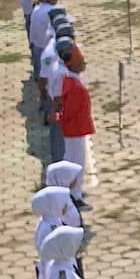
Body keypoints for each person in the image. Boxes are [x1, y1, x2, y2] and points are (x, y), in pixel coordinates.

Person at [57, 41, 94, 180]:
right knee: (76, 163)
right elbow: (70, 112)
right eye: (81, 61)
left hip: (73, 128)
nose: (84, 63)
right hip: (75, 129)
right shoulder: (75, 88)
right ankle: (74, 193)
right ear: (72, 65)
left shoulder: (70, 81)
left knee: (73, 159)